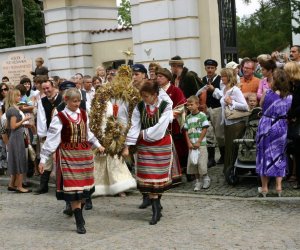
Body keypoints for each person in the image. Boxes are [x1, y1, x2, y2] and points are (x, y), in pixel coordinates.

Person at [38, 88, 105, 234]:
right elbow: (51, 140)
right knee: (73, 189)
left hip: (84, 155)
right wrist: (43, 159)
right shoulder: (60, 117)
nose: (77, 104)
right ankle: (79, 220)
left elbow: (88, 133)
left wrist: (98, 145)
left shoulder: (83, 114)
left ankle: (78, 213)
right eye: (74, 101)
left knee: (82, 190)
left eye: (79, 101)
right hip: (68, 155)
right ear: (66, 100)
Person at [122, 80, 173, 225]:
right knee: (149, 176)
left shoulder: (166, 105)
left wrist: (143, 134)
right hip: (145, 146)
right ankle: (156, 209)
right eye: (142, 96)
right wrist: (128, 145)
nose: (144, 99)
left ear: (155, 95)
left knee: (158, 178)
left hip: (161, 144)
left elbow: (161, 126)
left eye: (146, 96)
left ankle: (157, 205)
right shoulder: (139, 106)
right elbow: (134, 125)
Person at [89, 65, 138, 198]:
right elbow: (98, 113)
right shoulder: (106, 94)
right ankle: (102, 186)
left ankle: (119, 185)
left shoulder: (130, 94)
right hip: (104, 128)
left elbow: (129, 113)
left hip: (120, 129)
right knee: (102, 156)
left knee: (116, 157)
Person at [256, 69, 292, 197]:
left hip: (266, 124)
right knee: (279, 155)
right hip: (281, 126)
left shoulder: (267, 93)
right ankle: (278, 187)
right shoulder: (289, 97)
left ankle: (264, 188)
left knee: (264, 154)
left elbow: (261, 105)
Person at [156, 67, 186, 184]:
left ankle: (175, 176)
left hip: (172, 125)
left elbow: (181, 106)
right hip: (159, 125)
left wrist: (169, 116)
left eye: (161, 76)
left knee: (176, 151)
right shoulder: (156, 91)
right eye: (157, 76)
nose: (158, 79)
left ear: (168, 78)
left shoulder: (175, 90)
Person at [219, 68, 249, 176]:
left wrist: (232, 102)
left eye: (224, 76)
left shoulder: (235, 90)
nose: (222, 78)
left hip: (236, 123)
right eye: (221, 76)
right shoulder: (224, 89)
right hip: (228, 122)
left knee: (233, 147)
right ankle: (229, 169)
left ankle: (235, 170)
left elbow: (245, 106)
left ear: (229, 77)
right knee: (229, 146)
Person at [35, 80, 62, 194]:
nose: (46, 91)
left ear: (53, 87)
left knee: (62, 160)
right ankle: (43, 185)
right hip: (48, 134)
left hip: (62, 134)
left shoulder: (62, 99)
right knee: (46, 159)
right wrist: (43, 135)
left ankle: (61, 186)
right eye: (44, 89)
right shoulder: (42, 101)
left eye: (48, 88)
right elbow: (41, 119)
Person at [6, 88, 31, 193]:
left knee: (17, 160)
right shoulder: (13, 110)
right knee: (19, 160)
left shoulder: (13, 109)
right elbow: (12, 126)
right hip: (16, 137)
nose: (20, 97)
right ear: (13, 97)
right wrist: (24, 120)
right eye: (18, 95)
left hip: (16, 137)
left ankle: (12, 184)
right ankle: (19, 186)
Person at [201, 59, 225, 167]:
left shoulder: (220, 80)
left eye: (212, 68)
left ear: (215, 69)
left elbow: (223, 95)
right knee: (208, 133)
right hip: (206, 109)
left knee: (220, 134)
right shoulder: (202, 80)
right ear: (205, 68)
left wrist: (213, 89)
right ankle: (211, 158)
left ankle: (223, 155)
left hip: (217, 108)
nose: (210, 70)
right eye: (208, 67)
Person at [184, 95, 210, 191]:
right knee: (193, 164)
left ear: (197, 104)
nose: (189, 107)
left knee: (201, 163)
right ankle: (198, 181)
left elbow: (204, 129)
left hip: (201, 144)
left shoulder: (202, 115)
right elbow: (186, 131)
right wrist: (189, 143)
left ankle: (206, 178)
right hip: (192, 145)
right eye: (188, 105)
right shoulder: (188, 117)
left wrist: (199, 141)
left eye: (191, 104)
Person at [285, 61, 300, 189]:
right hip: (295, 121)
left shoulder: (298, 85)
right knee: (296, 151)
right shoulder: (293, 86)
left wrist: (291, 114)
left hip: (298, 121)